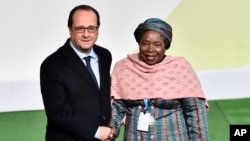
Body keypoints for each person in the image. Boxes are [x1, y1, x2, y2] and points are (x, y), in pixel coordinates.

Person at [108, 18, 210, 141]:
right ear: (139, 43)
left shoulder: (179, 68)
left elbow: (195, 112)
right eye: (145, 43)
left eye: (157, 45)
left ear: (165, 46)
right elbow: (116, 107)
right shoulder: (123, 68)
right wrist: (112, 127)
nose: (150, 49)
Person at [40, 5, 114, 141]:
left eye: (91, 28)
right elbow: (57, 111)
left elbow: (103, 95)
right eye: (80, 28)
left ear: (98, 30)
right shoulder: (52, 65)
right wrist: (96, 131)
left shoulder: (104, 55)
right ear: (70, 29)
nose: (86, 34)